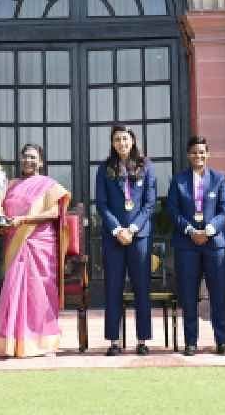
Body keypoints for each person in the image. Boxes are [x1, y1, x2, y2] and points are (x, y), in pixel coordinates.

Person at [0, 144, 70, 357]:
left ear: (41, 162)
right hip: (15, 241)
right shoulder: (11, 185)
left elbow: (53, 213)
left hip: (40, 244)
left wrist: (24, 219)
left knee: (39, 293)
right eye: (25, 157)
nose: (28, 161)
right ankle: (11, 343)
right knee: (14, 290)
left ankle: (44, 344)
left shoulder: (48, 185)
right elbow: (1, 210)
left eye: (33, 157)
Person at [94, 124, 157, 356]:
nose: (122, 143)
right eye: (118, 139)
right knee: (113, 287)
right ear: (112, 143)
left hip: (139, 236)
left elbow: (149, 204)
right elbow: (101, 204)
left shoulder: (146, 166)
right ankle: (114, 341)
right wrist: (117, 229)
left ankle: (142, 339)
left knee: (141, 287)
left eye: (126, 139)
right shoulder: (104, 169)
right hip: (114, 237)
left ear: (133, 141)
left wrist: (131, 228)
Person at [166, 135, 225, 356]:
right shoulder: (179, 181)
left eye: (202, 152)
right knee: (188, 295)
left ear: (208, 154)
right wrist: (191, 230)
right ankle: (191, 342)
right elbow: (173, 211)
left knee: (218, 294)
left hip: (215, 244)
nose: (198, 156)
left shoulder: (220, 179)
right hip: (187, 244)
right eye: (194, 152)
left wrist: (210, 230)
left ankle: (221, 341)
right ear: (188, 155)